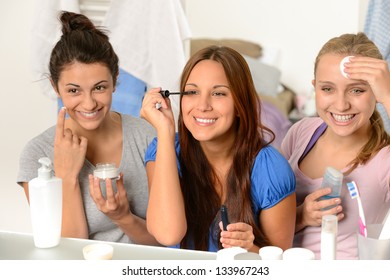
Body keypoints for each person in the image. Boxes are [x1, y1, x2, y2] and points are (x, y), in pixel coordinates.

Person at [17, 11, 158, 245]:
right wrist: (66, 175)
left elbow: (166, 243)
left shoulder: (146, 137)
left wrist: (123, 218)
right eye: (73, 90)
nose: (89, 103)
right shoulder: (37, 155)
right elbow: (67, 251)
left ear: (115, 80)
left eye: (99, 87)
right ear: (55, 87)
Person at [140, 45, 296, 252]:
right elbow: (168, 234)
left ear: (241, 105)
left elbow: (281, 266)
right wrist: (165, 132)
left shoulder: (270, 169)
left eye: (219, 93)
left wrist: (251, 249)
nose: (203, 105)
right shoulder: (164, 149)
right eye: (192, 92)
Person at [281, 32, 390, 259]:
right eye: (327, 89)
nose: (341, 105)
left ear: (376, 93)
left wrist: (389, 96)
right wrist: (301, 216)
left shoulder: (384, 160)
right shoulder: (302, 132)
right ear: (315, 87)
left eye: (357, 90)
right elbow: (266, 212)